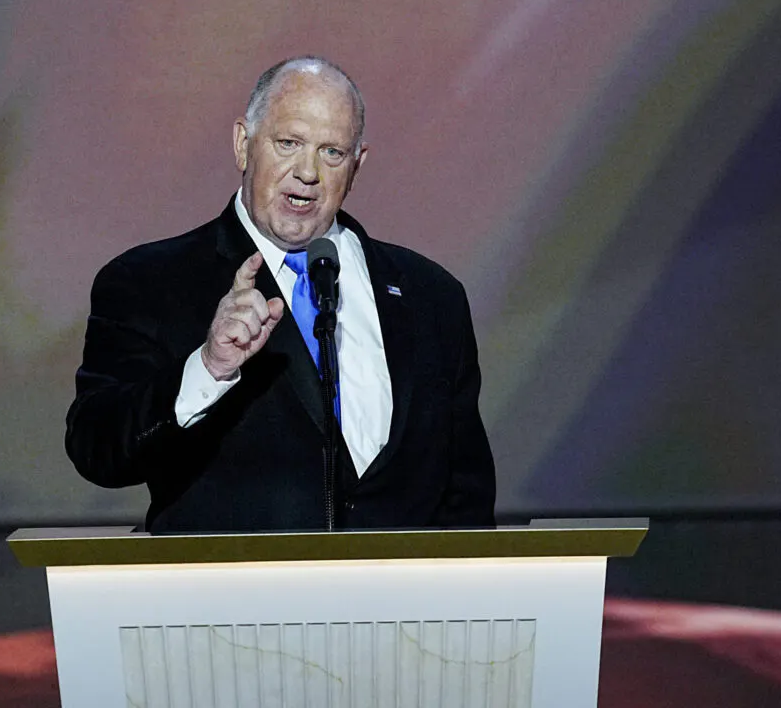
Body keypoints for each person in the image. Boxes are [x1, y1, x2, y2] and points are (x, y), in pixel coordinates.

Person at [65, 56, 495, 533]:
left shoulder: (431, 297)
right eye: (288, 143)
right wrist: (207, 368)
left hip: (402, 583)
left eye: (332, 152)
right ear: (242, 144)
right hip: (233, 581)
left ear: (357, 165)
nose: (307, 172)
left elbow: (466, 494)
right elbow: (97, 449)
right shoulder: (148, 282)